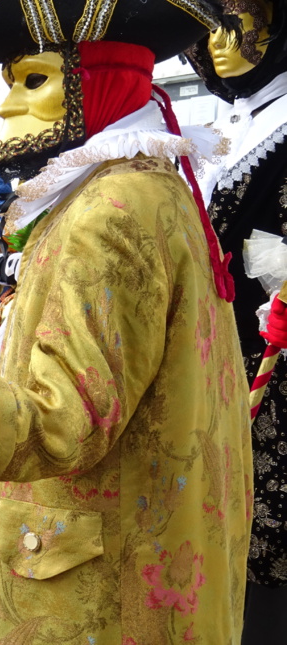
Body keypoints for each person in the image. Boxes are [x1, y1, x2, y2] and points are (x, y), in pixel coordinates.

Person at [0, 0, 254, 642]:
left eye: (33, 79)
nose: (6, 107)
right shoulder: (148, 189)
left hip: (102, 582)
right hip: (161, 551)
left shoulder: (109, 213)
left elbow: (70, 418)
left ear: (98, 81)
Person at [185, 1, 287, 641]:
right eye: (211, 27)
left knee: (267, 517)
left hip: (272, 356)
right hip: (223, 348)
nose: (220, 43)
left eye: (239, 23)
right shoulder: (230, 125)